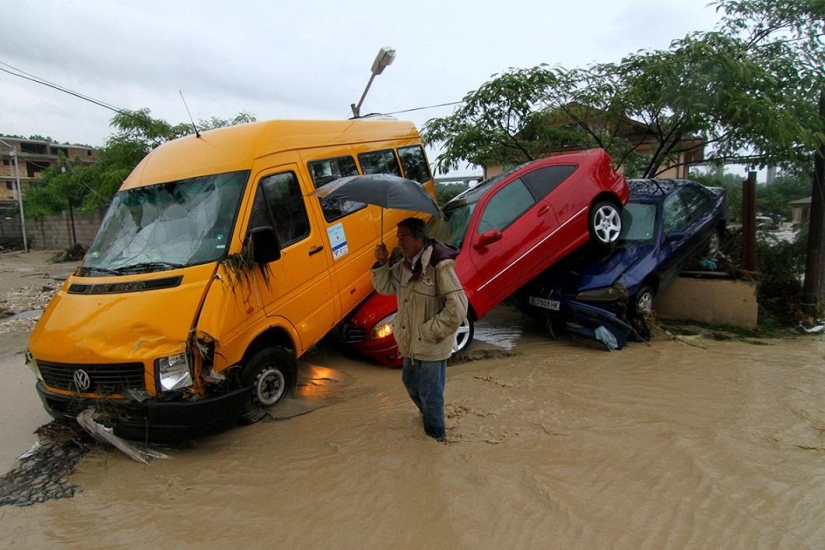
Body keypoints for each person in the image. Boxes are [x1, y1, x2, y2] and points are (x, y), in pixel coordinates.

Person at [371, 217, 468, 442]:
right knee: (410, 382)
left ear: (419, 238)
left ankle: (436, 439)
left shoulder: (439, 266)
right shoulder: (405, 265)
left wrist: (428, 332)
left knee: (430, 392)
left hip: (431, 343)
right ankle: (429, 417)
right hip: (411, 343)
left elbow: (458, 308)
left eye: (404, 236)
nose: (399, 241)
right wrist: (382, 263)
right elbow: (384, 286)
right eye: (398, 236)